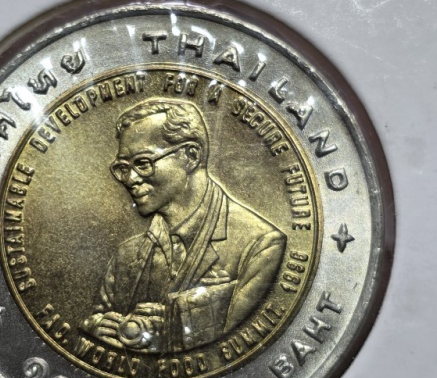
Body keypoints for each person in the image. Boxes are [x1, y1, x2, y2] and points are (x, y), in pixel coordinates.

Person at [80, 99, 286, 353]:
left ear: (191, 156)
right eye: (123, 168)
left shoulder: (260, 245)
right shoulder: (127, 255)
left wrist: (177, 327)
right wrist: (95, 335)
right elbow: (89, 348)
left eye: (143, 163)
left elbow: (238, 352)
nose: (130, 179)